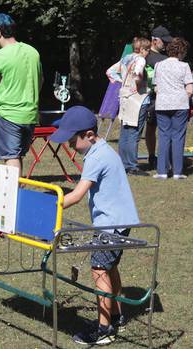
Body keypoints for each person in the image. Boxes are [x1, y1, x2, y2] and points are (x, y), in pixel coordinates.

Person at [48, 105, 140, 346]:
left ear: (89, 135)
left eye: (72, 140)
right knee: (110, 269)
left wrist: (50, 209)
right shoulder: (102, 151)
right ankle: (117, 316)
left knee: (99, 268)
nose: (69, 145)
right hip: (120, 221)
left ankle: (104, 328)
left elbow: (77, 195)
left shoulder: (97, 157)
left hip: (111, 225)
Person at [0, 13, 42, 174]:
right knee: (17, 155)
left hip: (8, 115)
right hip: (30, 116)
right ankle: (17, 192)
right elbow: (41, 80)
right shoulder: (33, 52)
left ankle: (12, 196)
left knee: (11, 157)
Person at [108, 37, 151, 176]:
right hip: (137, 99)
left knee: (125, 132)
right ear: (142, 49)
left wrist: (122, 82)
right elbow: (138, 73)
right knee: (134, 133)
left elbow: (110, 72)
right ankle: (132, 165)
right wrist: (138, 83)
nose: (148, 53)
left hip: (124, 97)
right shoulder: (140, 59)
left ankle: (123, 163)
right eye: (147, 50)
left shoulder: (126, 58)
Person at [153, 37, 193, 179]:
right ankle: (177, 172)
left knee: (163, 136)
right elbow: (190, 88)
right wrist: (184, 97)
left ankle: (162, 172)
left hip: (162, 104)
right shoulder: (184, 66)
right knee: (178, 137)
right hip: (180, 104)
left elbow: (156, 87)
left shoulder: (158, 65)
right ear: (181, 52)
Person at [144, 26, 172, 168]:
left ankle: (166, 158)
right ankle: (151, 157)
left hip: (165, 98)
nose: (166, 44)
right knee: (150, 128)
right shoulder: (145, 56)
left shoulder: (166, 58)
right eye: (163, 41)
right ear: (154, 41)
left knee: (165, 130)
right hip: (150, 100)